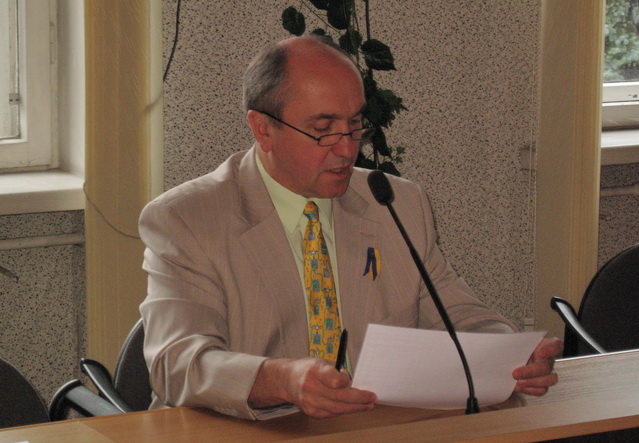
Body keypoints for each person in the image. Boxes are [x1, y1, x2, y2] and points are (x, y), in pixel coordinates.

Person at [139, 35, 562, 421]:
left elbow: (457, 315)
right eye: (323, 130)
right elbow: (177, 362)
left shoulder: (395, 203)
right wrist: (279, 378)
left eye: (355, 125)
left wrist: (511, 354)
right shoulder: (188, 219)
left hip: (369, 430)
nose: (347, 149)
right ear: (263, 129)